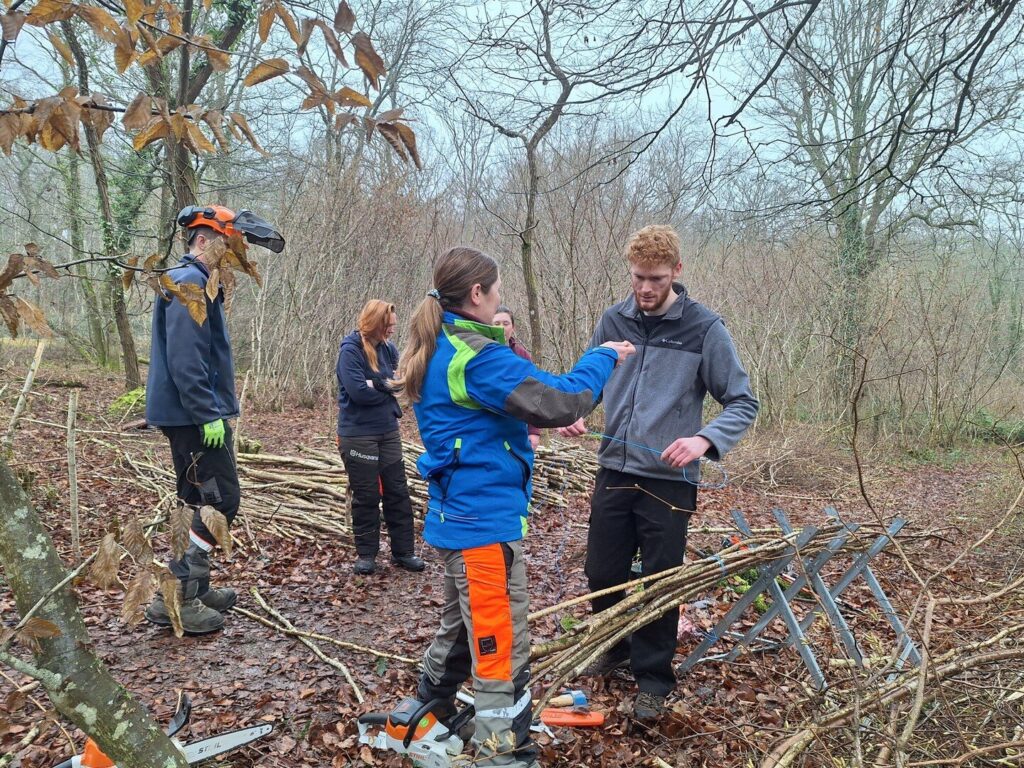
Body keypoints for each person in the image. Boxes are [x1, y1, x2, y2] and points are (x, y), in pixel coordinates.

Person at [398, 246, 635, 768]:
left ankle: (423, 712)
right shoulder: (473, 355)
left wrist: (534, 419)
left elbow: (502, 412)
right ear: (478, 294)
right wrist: (603, 357)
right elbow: (561, 398)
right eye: (498, 290)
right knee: (499, 638)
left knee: (462, 626)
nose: (500, 298)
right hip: (481, 522)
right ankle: (504, 750)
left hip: (462, 514)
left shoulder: (449, 345)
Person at [558, 224, 759, 721]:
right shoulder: (613, 320)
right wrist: (577, 409)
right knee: (601, 572)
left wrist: (704, 440)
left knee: (660, 580)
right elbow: (591, 380)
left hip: (670, 482)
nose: (645, 288)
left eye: (655, 278)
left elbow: (742, 400)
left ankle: (652, 678)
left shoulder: (704, 329)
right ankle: (616, 644)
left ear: (676, 272)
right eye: (638, 277)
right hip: (614, 469)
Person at [145, 204, 285, 635]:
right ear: (202, 241)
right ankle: (181, 599)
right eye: (226, 249)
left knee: (195, 501)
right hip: (193, 417)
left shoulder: (198, 283)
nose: (230, 261)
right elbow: (187, 360)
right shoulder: (187, 281)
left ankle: (189, 588)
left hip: (190, 413)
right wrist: (208, 413)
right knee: (220, 500)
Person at [336, 299, 424, 575]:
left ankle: (404, 552)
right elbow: (358, 392)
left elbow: (399, 384)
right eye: (389, 326)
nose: (392, 331)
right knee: (366, 494)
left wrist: (378, 384)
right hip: (358, 434)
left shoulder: (389, 349)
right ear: (376, 324)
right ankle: (366, 555)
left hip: (388, 430)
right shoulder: (350, 351)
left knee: (397, 491)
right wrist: (383, 386)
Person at [493, 306, 543, 451]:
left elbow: (534, 393)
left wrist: (534, 431)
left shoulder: (522, 356)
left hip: (517, 429)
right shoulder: (479, 353)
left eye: (505, 323)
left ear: (513, 327)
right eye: (496, 324)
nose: (501, 328)